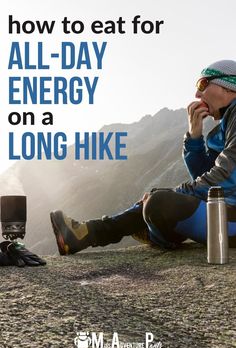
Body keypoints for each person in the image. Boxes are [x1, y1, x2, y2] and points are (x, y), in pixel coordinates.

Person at [50, 60, 236, 255]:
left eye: (202, 84)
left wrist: (177, 193)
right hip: (227, 213)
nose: (197, 95)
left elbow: (228, 174)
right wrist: (194, 138)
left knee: (159, 203)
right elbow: (206, 178)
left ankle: (154, 232)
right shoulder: (227, 123)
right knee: (159, 201)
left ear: (228, 86)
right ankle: (87, 233)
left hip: (231, 218)